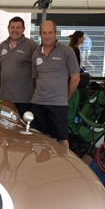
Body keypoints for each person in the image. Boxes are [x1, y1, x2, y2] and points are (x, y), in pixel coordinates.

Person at [31, 20, 80, 148]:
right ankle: (46, 166)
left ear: (56, 33)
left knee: (62, 140)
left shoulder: (67, 52)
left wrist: (66, 97)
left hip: (58, 104)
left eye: (50, 33)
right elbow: (36, 78)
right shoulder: (36, 54)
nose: (47, 36)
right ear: (40, 34)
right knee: (42, 138)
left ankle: (63, 167)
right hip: (38, 104)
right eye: (44, 33)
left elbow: (75, 78)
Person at [0, 16, 39, 115]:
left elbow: (39, 69)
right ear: (8, 28)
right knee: (4, 128)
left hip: (24, 100)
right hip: (4, 99)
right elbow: (1, 69)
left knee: (23, 129)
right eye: (12, 27)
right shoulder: (2, 46)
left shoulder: (32, 46)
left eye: (18, 27)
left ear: (23, 29)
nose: (15, 30)